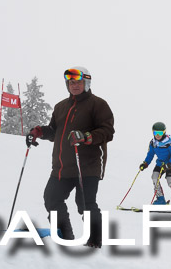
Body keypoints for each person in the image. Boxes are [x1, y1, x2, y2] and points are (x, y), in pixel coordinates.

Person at [25, 66, 114, 248]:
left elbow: (107, 131)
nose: (74, 86)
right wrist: (39, 131)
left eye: (79, 82)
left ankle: (95, 243)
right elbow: (54, 132)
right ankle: (65, 238)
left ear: (86, 83)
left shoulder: (98, 104)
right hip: (62, 167)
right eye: (71, 82)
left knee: (85, 205)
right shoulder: (60, 107)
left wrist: (86, 137)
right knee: (52, 198)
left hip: (86, 166)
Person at [139, 122, 171, 210]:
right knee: (154, 177)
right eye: (156, 133)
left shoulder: (170, 142)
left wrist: (170, 164)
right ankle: (160, 199)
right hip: (160, 163)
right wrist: (145, 163)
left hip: (170, 164)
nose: (158, 135)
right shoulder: (153, 143)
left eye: (160, 133)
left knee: (170, 180)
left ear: (164, 132)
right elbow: (150, 154)